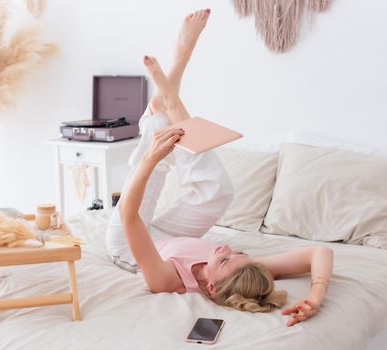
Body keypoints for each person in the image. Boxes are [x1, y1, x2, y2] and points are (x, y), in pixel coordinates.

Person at [105, 9, 333, 327]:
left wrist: (150, 160)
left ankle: (167, 97)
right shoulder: (244, 271)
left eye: (224, 258)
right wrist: (317, 295)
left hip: (132, 242)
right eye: (235, 251)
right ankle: (167, 103)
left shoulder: (166, 280)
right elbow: (317, 253)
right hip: (173, 237)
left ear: (210, 287)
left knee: (155, 164)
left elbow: (129, 217)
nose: (224, 247)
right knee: (219, 193)